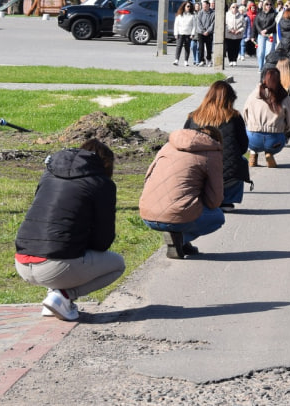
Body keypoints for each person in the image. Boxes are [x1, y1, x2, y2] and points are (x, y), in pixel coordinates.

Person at [14, 138, 126, 321]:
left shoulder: (48, 175)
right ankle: (64, 297)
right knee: (117, 264)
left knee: (63, 244)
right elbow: (103, 241)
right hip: (54, 266)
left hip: (22, 262)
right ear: (106, 164)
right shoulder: (102, 184)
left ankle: (55, 300)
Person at [138, 126, 225, 259]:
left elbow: (148, 176)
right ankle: (181, 237)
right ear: (215, 140)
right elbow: (214, 200)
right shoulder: (212, 154)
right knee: (217, 217)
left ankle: (181, 243)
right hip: (176, 215)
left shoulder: (168, 146)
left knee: (184, 200)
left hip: (147, 213)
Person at [184, 81, 250, 209]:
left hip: (198, 172)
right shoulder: (234, 117)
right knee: (241, 161)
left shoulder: (193, 116)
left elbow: (185, 141)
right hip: (228, 175)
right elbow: (243, 146)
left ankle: (203, 197)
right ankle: (227, 199)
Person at [243, 67, 290, 168]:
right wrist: (284, 130)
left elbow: (244, 115)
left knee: (247, 130)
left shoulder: (253, 95)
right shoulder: (284, 97)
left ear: (264, 79)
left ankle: (253, 153)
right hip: (275, 141)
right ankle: (269, 153)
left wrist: (251, 126)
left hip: (252, 139)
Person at [173, 1, 195, 66]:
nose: (189, 7)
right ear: (184, 7)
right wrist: (176, 33)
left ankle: (186, 61)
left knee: (187, 47)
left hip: (188, 34)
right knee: (179, 46)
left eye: (190, 6)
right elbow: (176, 25)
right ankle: (176, 60)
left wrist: (192, 34)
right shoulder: (179, 15)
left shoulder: (192, 16)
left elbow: (194, 26)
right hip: (180, 33)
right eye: (187, 6)